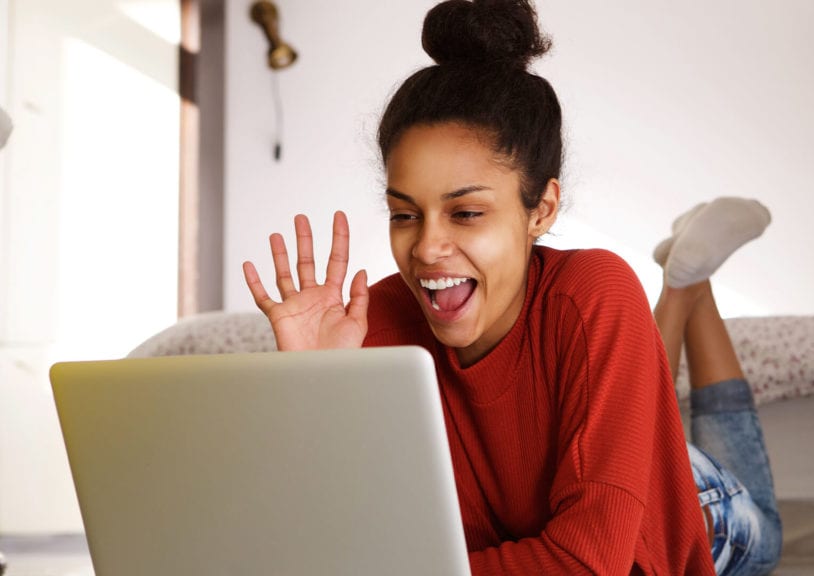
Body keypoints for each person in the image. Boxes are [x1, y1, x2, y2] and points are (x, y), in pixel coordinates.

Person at [242, 1, 780, 574]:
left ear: (541, 209)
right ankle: (689, 288)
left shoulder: (595, 292)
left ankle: (685, 292)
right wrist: (312, 395)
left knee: (765, 530)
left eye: (467, 213)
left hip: (702, 506)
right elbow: (319, 548)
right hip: (581, 488)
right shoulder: (359, 334)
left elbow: (585, 563)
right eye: (404, 215)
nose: (426, 248)